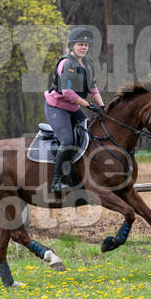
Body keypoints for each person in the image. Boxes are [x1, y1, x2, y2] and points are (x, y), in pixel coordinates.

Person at [44, 27, 105, 192]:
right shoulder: (67, 64)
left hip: (73, 107)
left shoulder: (88, 64)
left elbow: (93, 89)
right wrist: (88, 105)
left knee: (89, 133)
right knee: (68, 141)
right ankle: (56, 182)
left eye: (86, 45)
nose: (84, 47)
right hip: (57, 107)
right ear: (72, 46)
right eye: (80, 45)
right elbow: (68, 93)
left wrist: (102, 107)